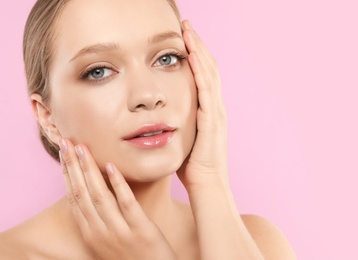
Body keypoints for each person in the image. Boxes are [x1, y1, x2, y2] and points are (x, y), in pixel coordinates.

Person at [0, 0, 296, 259]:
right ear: (47, 116)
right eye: (99, 71)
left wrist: (210, 180)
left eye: (166, 59)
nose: (147, 95)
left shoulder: (259, 244)